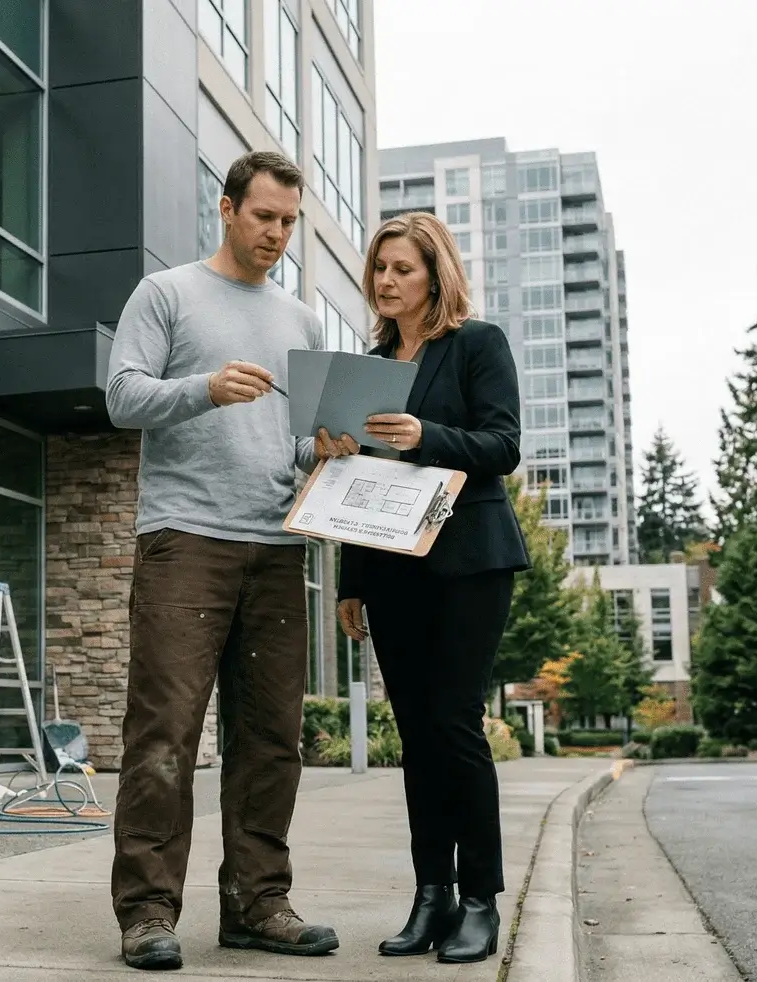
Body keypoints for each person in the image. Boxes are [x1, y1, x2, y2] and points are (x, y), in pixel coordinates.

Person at [104, 149, 343, 972]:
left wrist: (327, 447)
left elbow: (297, 441)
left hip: (278, 546)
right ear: (228, 208)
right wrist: (204, 387)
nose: (277, 233)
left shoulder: (302, 320)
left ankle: (257, 903)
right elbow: (122, 396)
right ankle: (146, 912)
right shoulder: (166, 293)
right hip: (185, 540)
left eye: (289, 222)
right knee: (165, 733)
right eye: (264, 216)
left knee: (273, 737)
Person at [320, 211, 531, 964]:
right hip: (390, 568)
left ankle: (480, 901)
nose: (386, 281)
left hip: (469, 562)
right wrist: (350, 580)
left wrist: (426, 436)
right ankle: (431, 895)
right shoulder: (369, 365)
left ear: (435, 276)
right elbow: (353, 476)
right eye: (379, 269)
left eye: (402, 269)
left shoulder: (478, 344)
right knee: (415, 735)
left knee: (453, 724)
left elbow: (503, 445)